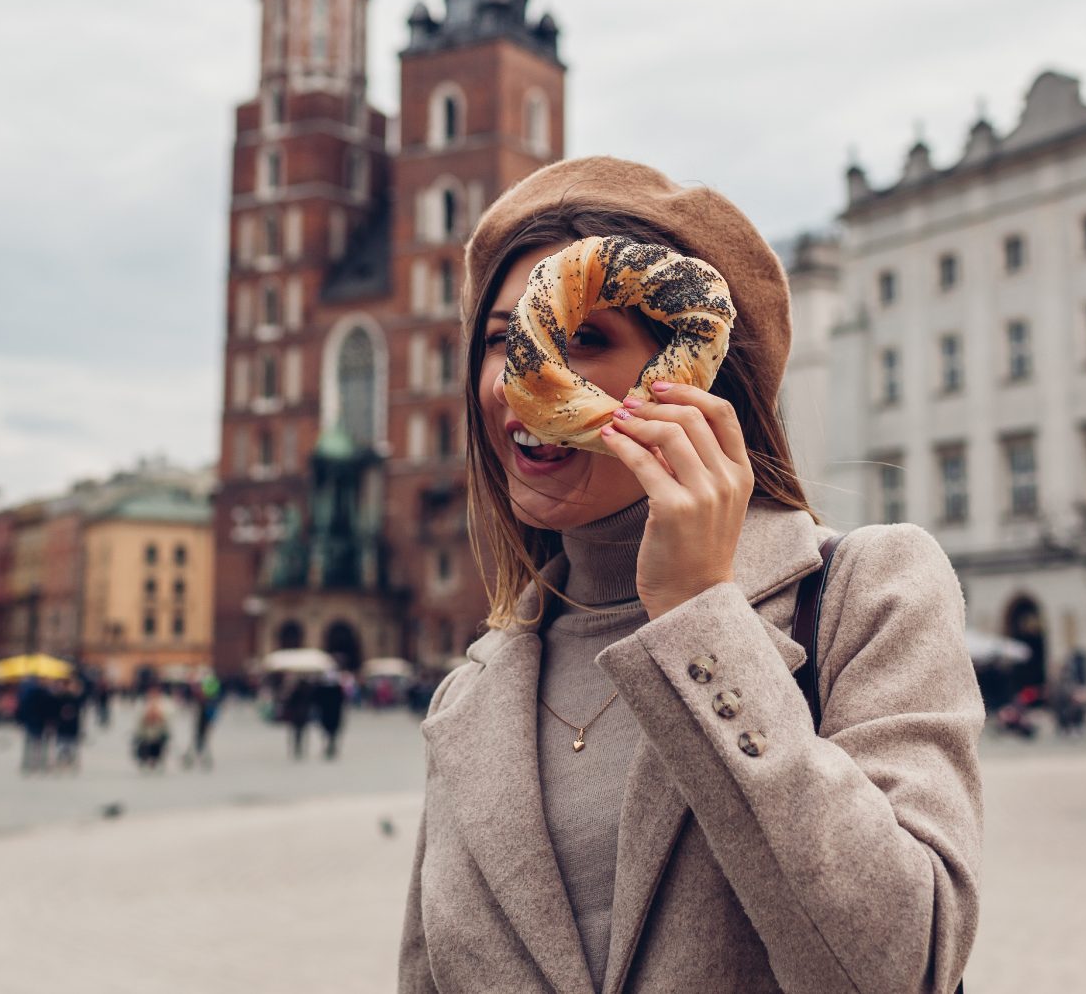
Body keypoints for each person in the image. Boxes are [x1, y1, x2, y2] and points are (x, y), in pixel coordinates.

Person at [399, 158, 982, 993]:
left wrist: (700, 615)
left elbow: (903, 964)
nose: (523, 381)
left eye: (587, 339)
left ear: (692, 373)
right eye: (502, 341)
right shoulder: (470, 694)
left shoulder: (868, 592)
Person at [51, 678, 84, 771]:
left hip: (71, 727)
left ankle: (69, 762)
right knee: (62, 745)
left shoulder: (74, 698)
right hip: (62, 726)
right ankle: (63, 761)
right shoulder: (58, 698)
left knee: (70, 746)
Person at [313, 671, 346, 761]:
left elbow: (316, 700)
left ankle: (328, 746)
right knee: (332, 732)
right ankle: (331, 746)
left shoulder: (322, 689)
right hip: (334, 714)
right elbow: (342, 701)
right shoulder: (337, 689)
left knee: (326, 731)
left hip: (326, 713)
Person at [279, 675, 314, 760]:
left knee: (296, 733)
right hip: (304, 715)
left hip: (296, 715)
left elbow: (289, 702)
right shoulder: (308, 692)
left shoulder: (296, 691)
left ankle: (297, 747)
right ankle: (300, 747)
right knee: (301, 732)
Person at [132, 693, 170, 771]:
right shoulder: (143, 721)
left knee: (157, 745)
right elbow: (139, 731)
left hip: (156, 741)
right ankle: (144, 758)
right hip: (146, 740)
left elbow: (165, 731)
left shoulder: (161, 721)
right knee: (143, 745)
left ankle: (155, 759)